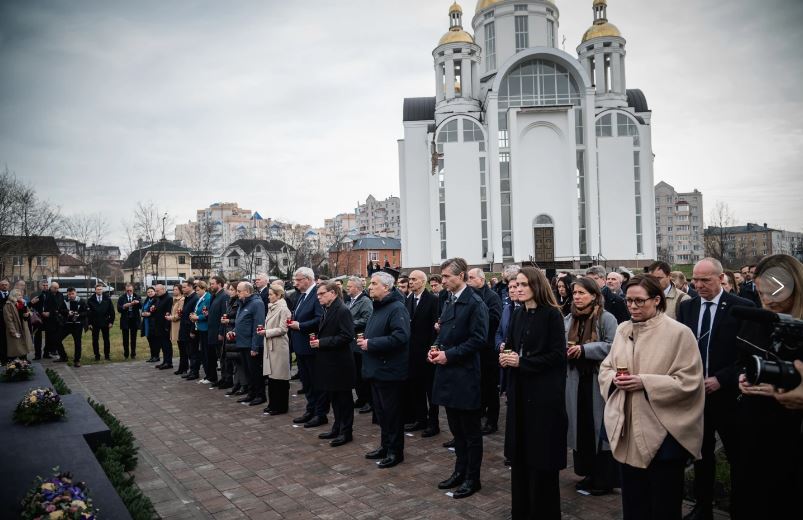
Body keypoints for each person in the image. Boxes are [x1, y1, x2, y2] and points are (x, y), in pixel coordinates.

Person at [600, 275, 705, 520]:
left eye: (639, 301)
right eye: (629, 301)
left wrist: (645, 382)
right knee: (634, 505)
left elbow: (689, 381)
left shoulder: (679, 333)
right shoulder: (623, 329)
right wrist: (614, 379)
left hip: (664, 435)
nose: (633, 307)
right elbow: (606, 368)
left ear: (657, 300)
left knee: (663, 506)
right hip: (628, 431)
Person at [676, 258, 754, 520]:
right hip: (696, 395)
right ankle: (702, 506)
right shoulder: (687, 308)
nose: (697, 285)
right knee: (701, 453)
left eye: (704, 280)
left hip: (730, 396)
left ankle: (739, 507)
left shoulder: (741, 308)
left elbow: (748, 355)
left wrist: (722, 379)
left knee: (737, 455)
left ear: (721, 279)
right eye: (694, 280)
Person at [733, 254, 803, 520]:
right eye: (762, 293)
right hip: (753, 430)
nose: (769, 300)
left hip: (791, 439)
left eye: (776, 292)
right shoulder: (757, 319)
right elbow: (741, 360)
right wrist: (743, 376)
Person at [499, 267, 567, 518]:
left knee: (541, 461)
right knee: (521, 459)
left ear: (536, 286)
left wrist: (522, 362)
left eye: (523, 284)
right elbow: (513, 346)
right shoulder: (518, 314)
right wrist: (505, 356)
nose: (517, 288)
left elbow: (557, 356)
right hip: (519, 394)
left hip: (543, 397)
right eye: (515, 284)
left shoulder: (552, 315)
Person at [430, 258, 488, 499]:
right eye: (442, 277)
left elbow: (478, 339)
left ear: (461, 276)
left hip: (465, 375)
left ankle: (472, 478)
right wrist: (434, 347)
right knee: (456, 430)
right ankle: (459, 471)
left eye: (447, 277)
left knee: (470, 433)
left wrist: (448, 355)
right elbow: (444, 330)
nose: (442, 281)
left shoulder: (475, 303)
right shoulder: (448, 300)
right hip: (448, 374)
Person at [564, 277, 618, 495]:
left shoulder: (606, 318)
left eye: (582, 293)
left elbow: (614, 346)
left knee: (600, 429)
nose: (577, 297)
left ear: (594, 295)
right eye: (575, 293)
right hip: (576, 381)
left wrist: (586, 350)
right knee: (582, 428)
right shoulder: (569, 319)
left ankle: (604, 478)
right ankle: (588, 473)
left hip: (598, 382)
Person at [357, 271, 410, 469]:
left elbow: (400, 337)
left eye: (374, 283)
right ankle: (385, 446)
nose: (369, 287)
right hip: (376, 370)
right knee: (381, 413)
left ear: (386, 287)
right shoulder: (378, 307)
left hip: (389, 372)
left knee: (392, 414)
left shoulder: (396, 308)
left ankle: (396, 452)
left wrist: (371, 343)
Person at [310, 281, 356, 447]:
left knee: (344, 400)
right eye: (318, 294)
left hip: (340, 364)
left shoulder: (342, 310)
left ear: (333, 293)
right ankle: (337, 427)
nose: (319, 297)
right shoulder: (327, 309)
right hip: (331, 363)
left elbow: (347, 336)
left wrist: (322, 342)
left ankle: (346, 432)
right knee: (335, 398)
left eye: (322, 294)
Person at [403, 270, 440, 437]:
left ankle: (433, 423)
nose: (411, 282)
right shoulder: (408, 299)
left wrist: (432, 349)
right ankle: (420, 419)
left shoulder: (433, 300)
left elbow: (436, 328)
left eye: (414, 279)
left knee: (430, 390)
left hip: (426, 351)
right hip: (411, 353)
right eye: (409, 279)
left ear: (423, 281)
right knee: (415, 388)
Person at [466, 268, 503, 435]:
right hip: (475, 348)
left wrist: (478, 316)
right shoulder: (470, 296)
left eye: (472, 278)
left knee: (490, 386)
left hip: (488, 349)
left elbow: (496, 318)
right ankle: (480, 411)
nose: (469, 280)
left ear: (481, 280)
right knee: (478, 384)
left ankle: (492, 421)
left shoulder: (492, 297)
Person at [289, 267, 326, 427]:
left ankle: (320, 413)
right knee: (306, 382)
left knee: (316, 382)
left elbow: (320, 319)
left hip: (311, 347)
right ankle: (310, 409)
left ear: (308, 279)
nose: (295, 283)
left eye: (298, 280)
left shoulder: (316, 295)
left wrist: (300, 325)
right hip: (300, 346)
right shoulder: (302, 296)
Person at [260, 283, 291, 415]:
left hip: (279, 346)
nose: (268, 297)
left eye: (271, 294)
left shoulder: (283, 309)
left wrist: (267, 332)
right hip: (271, 345)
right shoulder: (272, 307)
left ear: (278, 295)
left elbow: (283, 329)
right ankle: (272, 403)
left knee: (280, 378)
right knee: (272, 377)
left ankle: (281, 406)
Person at [233, 282, 266, 405]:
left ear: (247, 291)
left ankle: (260, 395)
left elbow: (258, 326)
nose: (237, 293)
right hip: (242, 343)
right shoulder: (242, 303)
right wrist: (234, 332)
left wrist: (255, 346)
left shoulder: (257, 303)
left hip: (251, 345)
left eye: (239, 291)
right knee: (247, 371)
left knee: (255, 371)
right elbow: (243, 322)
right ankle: (251, 393)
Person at [346, 276, 373, 413]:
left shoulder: (365, 301)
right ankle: (361, 398)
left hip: (360, 343)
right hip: (352, 343)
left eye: (349, 286)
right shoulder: (350, 301)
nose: (347, 288)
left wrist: (350, 324)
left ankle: (369, 400)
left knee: (363, 374)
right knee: (355, 373)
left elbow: (368, 319)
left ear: (357, 288)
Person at [206, 276, 229, 386]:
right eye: (210, 284)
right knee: (219, 357)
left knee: (223, 357)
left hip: (218, 332)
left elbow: (224, 315)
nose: (211, 286)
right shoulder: (214, 296)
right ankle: (223, 379)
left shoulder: (224, 296)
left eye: (212, 284)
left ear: (219, 284)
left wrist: (221, 332)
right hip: (212, 331)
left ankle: (227, 379)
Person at [190, 281, 213, 384]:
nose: (196, 292)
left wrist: (198, 317)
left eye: (198, 290)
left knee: (206, 353)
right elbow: (199, 310)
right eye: (196, 290)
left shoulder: (208, 298)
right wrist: (194, 316)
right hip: (199, 327)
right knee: (203, 352)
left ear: (204, 289)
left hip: (205, 328)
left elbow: (208, 314)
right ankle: (207, 375)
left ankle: (210, 376)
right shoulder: (201, 298)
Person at [59, 288, 87, 367]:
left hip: (77, 325)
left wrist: (79, 315)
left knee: (77, 343)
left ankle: (77, 360)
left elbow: (87, 312)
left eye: (72, 294)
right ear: (67, 294)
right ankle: (63, 356)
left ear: (76, 293)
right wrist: (68, 312)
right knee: (57, 339)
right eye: (69, 294)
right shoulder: (64, 301)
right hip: (67, 324)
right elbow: (60, 310)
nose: (71, 295)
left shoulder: (82, 301)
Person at [85, 284, 114, 361]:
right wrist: (89, 323)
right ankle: (97, 356)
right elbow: (88, 314)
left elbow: (112, 312)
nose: (99, 291)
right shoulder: (90, 300)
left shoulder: (107, 299)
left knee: (106, 340)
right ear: (95, 290)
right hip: (95, 323)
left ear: (102, 290)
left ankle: (107, 355)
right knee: (95, 340)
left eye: (101, 289)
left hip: (105, 322)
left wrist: (111, 322)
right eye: (98, 289)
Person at [4, 289, 33, 359]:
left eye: (21, 295)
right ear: (14, 296)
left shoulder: (22, 303)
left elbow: (30, 312)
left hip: (23, 327)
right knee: (15, 347)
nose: (21, 296)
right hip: (15, 328)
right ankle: (13, 364)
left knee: (23, 345)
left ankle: (24, 361)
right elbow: (8, 320)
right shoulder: (8, 305)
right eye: (19, 295)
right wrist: (13, 331)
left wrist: (28, 314)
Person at [179, 281, 200, 379]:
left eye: (184, 287)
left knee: (193, 351)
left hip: (191, 329)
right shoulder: (187, 298)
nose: (182, 289)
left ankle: (194, 372)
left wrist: (192, 330)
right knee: (189, 351)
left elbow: (194, 315)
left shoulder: (195, 298)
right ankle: (191, 370)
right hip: (185, 328)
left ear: (190, 287)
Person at [42, 281, 66, 360]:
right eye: (55, 288)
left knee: (57, 337)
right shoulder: (47, 295)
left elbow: (61, 306)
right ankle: (46, 352)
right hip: (49, 320)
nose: (56, 289)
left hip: (58, 319)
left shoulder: (60, 295)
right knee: (49, 337)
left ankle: (54, 351)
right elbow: (45, 306)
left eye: (57, 288)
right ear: (51, 287)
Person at [117, 283, 141, 359]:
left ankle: (133, 354)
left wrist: (138, 302)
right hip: (125, 320)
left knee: (133, 338)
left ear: (133, 290)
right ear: (125, 290)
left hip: (134, 319)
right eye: (128, 291)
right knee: (125, 339)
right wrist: (124, 306)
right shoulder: (122, 298)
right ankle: (126, 354)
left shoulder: (137, 296)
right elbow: (118, 309)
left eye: (130, 290)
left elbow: (141, 306)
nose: (129, 292)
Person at [152, 285, 173, 370]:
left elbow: (168, 312)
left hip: (164, 326)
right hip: (158, 325)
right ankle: (165, 361)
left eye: (158, 291)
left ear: (163, 289)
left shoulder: (168, 298)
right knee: (162, 345)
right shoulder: (158, 298)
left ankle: (169, 362)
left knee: (166, 344)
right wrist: (153, 309)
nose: (156, 293)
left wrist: (167, 326)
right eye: (155, 291)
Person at [30, 279, 49, 359]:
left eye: (46, 285)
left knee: (49, 336)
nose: (45, 287)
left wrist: (49, 312)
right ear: (39, 286)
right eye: (43, 285)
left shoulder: (50, 294)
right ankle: (37, 355)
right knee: (37, 337)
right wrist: (41, 312)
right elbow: (32, 306)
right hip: (38, 318)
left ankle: (46, 353)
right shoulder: (34, 294)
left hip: (48, 318)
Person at [167, 285, 184, 372]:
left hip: (179, 325)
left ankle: (183, 367)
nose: (174, 291)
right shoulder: (174, 299)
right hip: (174, 325)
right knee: (180, 346)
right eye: (173, 289)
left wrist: (172, 317)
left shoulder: (182, 300)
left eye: (176, 289)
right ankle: (182, 367)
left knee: (182, 348)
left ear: (180, 290)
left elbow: (179, 313)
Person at [0, 279, 9, 362]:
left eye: (6, 284)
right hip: (0, 322)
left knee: (9, 340)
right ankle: (2, 358)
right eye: (3, 284)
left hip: (10, 322)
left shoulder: (11, 295)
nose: (4, 286)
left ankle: (9, 358)